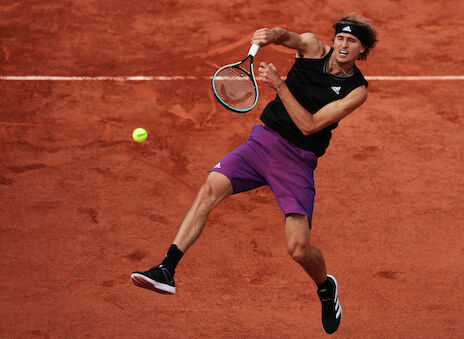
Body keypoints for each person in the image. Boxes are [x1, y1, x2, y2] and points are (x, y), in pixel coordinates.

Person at [131, 13, 377, 335]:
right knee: (208, 189)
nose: (344, 45)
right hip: (262, 142)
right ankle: (167, 269)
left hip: (297, 161)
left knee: (299, 249)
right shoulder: (312, 47)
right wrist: (270, 34)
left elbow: (310, 125)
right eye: (341, 38)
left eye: (352, 41)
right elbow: (288, 36)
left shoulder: (356, 91)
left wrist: (279, 85)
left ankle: (325, 287)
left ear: (362, 51)